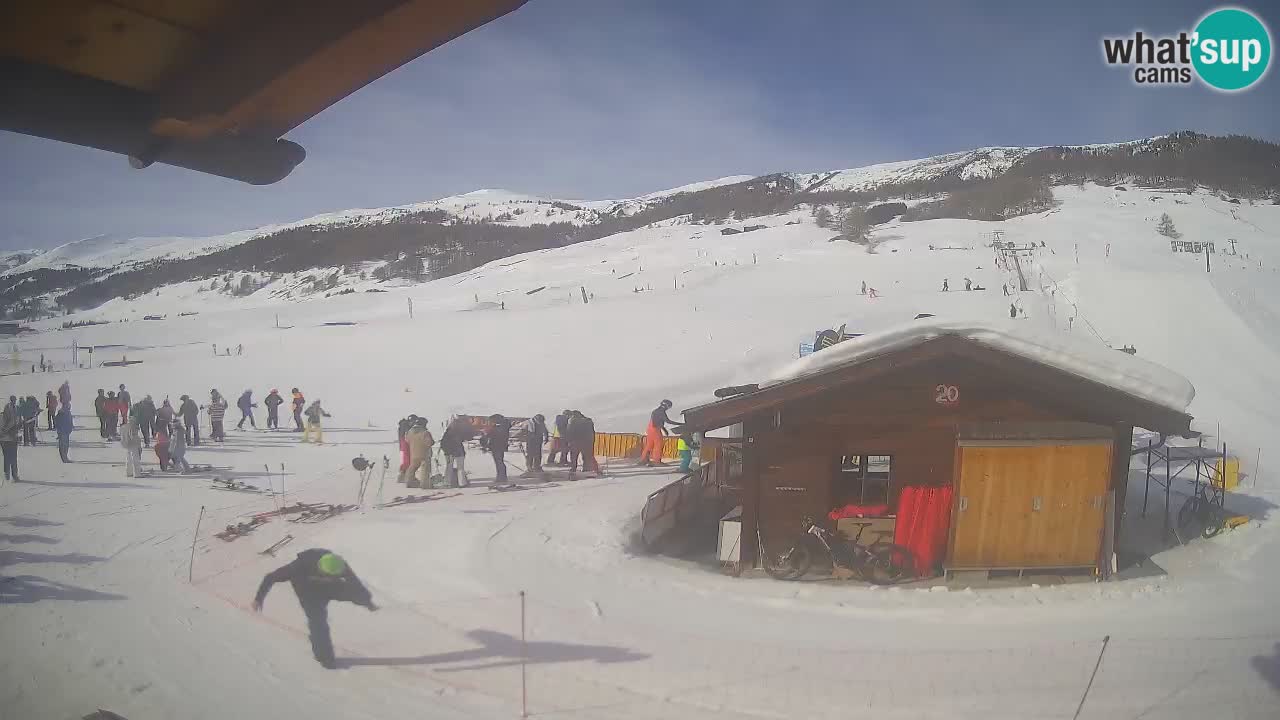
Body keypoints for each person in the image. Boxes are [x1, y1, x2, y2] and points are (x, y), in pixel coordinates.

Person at [253, 549, 377, 669]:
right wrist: (259, 599)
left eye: (334, 575)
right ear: (320, 568)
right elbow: (270, 577)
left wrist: (367, 601)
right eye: (328, 575)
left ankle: (365, 602)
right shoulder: (299, 567)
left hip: (328, 588)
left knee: (355, 592)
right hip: (308, 593)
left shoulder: (338, 564)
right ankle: (325, 658)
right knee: (318, 622)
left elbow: (355, 583)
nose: (330, 577)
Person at [639, 400, 675, 467]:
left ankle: (643, 459)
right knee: (658, 445)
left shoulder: (656, 411)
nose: (668, 408)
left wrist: (664, 429)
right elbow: (668, 421)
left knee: (649, 445)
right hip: (655, 430)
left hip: (650, 429)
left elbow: (658, 421)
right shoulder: (661, 412)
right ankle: (657, 461)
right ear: (665, 406)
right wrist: (679, 424)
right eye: (669, 407)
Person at [401, 418, 435, 488]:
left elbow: (407, 440)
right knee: (425, 469)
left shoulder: (410, 432)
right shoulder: (425, 433)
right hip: (424, 453)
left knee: (412, 467)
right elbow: (429, 442)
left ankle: (409, 481)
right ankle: (425, 484)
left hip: (413, 453)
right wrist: (432, 442)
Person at [479, 414, 511, 485]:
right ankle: (502, 476)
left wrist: (485, 435)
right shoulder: (504, 426)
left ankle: (501, 477)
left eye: (492, 420)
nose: (491, 422)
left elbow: (489, 435)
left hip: (497, 446)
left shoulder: (498, 428)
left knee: (499, 462)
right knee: (500, 461)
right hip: (500, 446)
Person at [439, 418, 472, 488]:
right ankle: (462, 483)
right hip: (459, 452)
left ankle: (447, 482)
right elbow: (467, 438)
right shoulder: (460, 432)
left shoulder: (447, 433)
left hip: (449, 453)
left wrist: (446, 451)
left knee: (448, 468)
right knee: (460, 468)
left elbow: (443, 443)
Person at [567, 411, 600, 476]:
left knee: (574, 456)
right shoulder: (588, 421)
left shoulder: (572, 421)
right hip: (587, 442)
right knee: (586, 456)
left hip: (575, 442)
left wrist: (569, 441)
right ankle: (586, 468)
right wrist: (592, 441)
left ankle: (573, 469)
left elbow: (569, 432)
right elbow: (592, 432)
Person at [1, 396, 20, 482]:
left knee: (11, 457)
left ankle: (12, 474)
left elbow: (17, 423)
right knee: (9, 457)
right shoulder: (6, 412)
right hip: (6, 439)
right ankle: (9, 474)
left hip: (11, 438)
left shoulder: (15, 409)